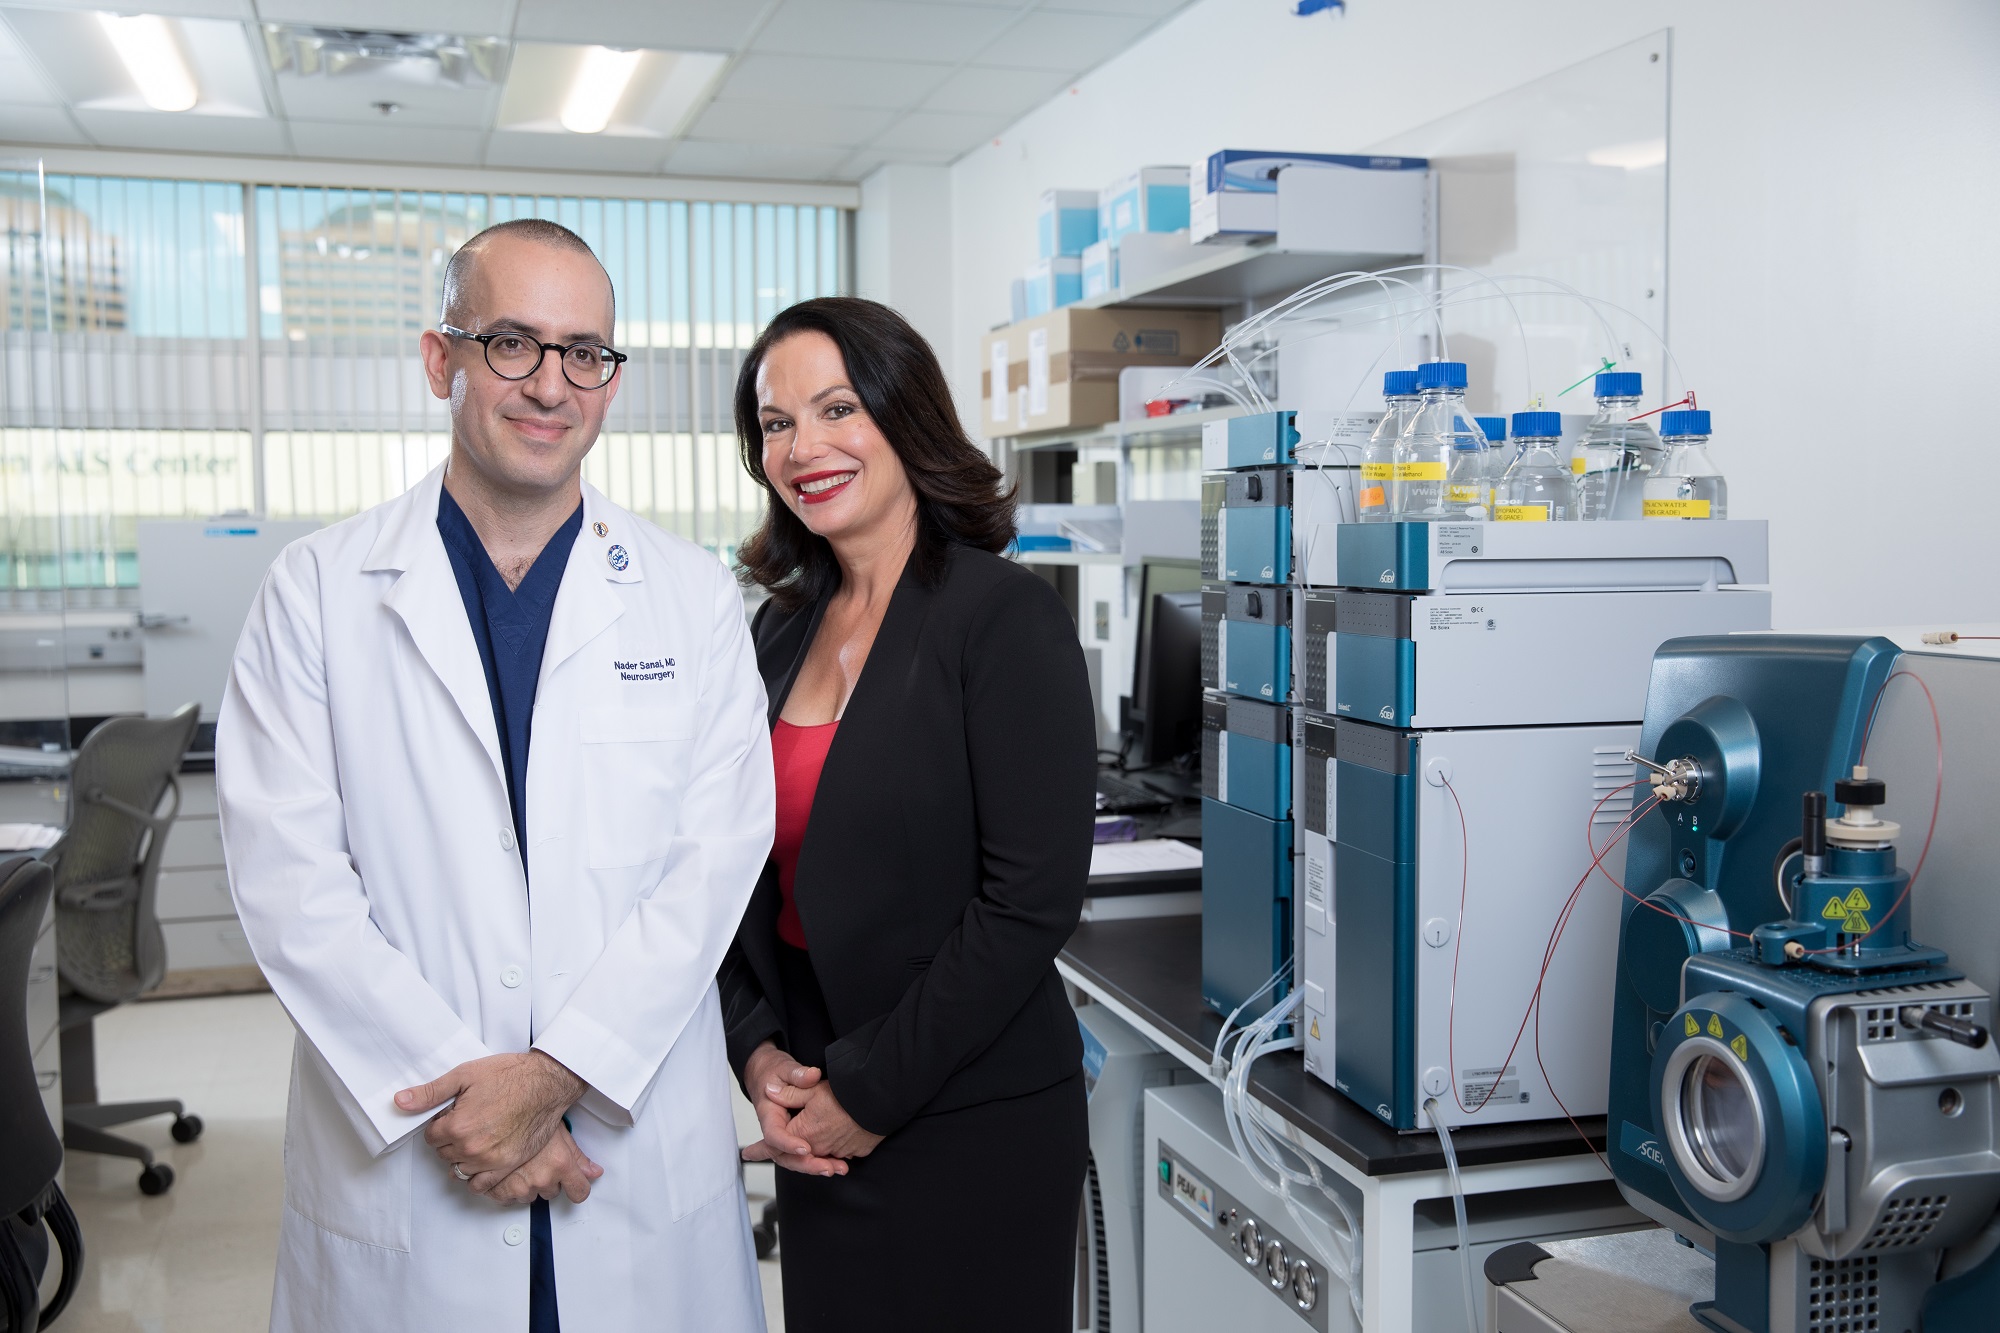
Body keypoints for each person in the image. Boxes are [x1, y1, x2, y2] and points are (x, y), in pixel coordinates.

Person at [217, 218, 772, 1332]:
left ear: (611, 382)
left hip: (625, 1139)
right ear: (441, 360)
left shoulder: (689, 593)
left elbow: (711, 862)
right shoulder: (317, 590)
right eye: (511, 342)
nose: (550, 384)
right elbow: (290, 883)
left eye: (584, 353)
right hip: (417, 1144)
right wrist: (471, 1101)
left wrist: (557, 1073)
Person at [718, 297, 1096, 1332]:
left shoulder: (999, 617)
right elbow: (728, 875)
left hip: (969, 1114)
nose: (804, 447)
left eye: (837, 408)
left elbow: (1027, 904)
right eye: (777, 422)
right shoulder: (778, 629)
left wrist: (868, 1091)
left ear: (904, 415)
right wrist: (756, 1054)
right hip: (813, 1108)